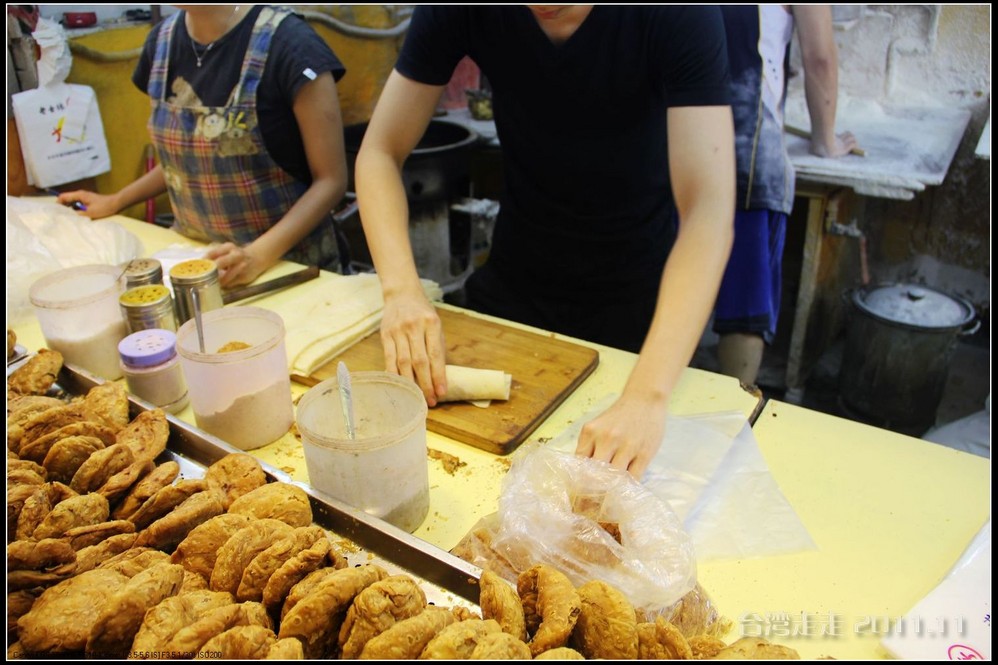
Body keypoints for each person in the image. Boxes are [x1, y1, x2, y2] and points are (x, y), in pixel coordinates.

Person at [355, 5, 735, 479]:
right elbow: (379, 151)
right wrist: (401, 293)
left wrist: (646, 396)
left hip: (643, 306)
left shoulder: (677, 13)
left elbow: (707, 211)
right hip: (515, 286)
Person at [59, 5, 349, 287]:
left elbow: (331, 181)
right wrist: (116, 201)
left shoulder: (291, 45)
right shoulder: (161, 43)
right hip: (198, 262)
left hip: (289, 267)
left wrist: (255, 256)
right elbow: (188, 160)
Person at [712, 5, 858, 386]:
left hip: (671, 137)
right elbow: (820, 58)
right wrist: (825, 141)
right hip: (746, 147)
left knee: (670, 280)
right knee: (744, 305)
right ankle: (733, 407)